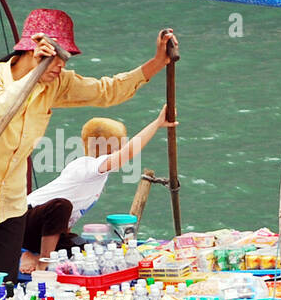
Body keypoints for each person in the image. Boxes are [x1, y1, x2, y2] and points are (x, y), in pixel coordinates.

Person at [0, 8, 175, 285]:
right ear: (33, 51)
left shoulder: (56, 84)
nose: (61, 66)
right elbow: (0, 109)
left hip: (12, 202)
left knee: (6, 283)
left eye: (64, 58)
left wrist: (158, 62)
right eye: (56, 58)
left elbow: (106, 90)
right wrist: (33, 77)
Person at [19, 105, 176, 272]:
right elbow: (127, 154)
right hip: (25, 220)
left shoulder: (97, 174)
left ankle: (32, 254)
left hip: (42, 230)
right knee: (61, 205)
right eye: (119, 145)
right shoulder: (88, 165)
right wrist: (157, 123)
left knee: (87, 250)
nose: (120, 149)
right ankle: (43, 262)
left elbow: (65, 221)